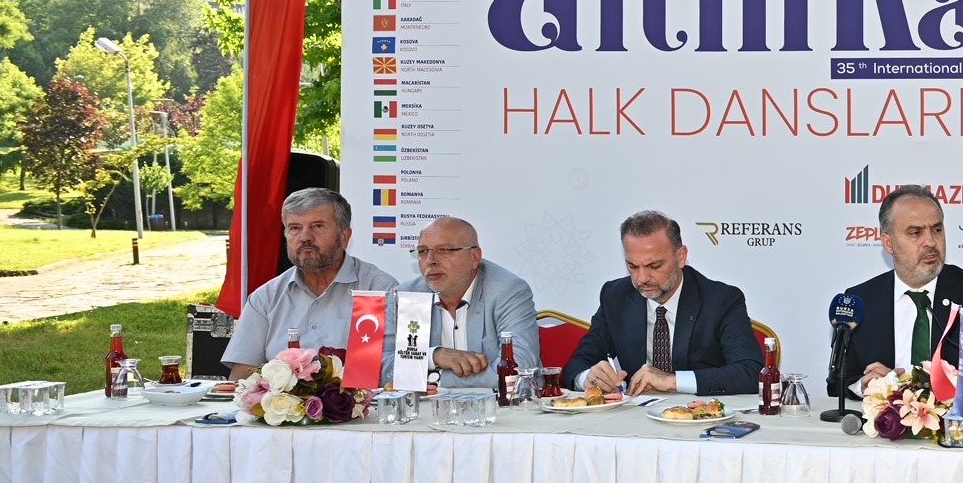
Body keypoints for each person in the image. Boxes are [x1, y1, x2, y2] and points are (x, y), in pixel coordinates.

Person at [842, 184, 963, 406]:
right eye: (915, 233)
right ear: (888, 243)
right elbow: (839, 382)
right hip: (882, 425)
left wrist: (902, 389)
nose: (931, 242)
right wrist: (866, 386)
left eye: (937, 230)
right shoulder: (861, 300)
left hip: (953, 424)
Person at [563, 210, 764, 396]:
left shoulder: (721, 300)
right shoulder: (616, 297)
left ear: (681, 257)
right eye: (633, 266)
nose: (642, 278)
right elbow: (577, 365)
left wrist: (672, 381)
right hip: (636, 416)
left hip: (700, 413)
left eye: (655, 265)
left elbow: (751, 372)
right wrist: (587, 377)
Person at [222, 187, 400, 377]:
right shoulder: (266, 298)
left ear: (344, 236)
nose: (305, 237)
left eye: (318, 226)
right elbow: (241, 376)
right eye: (295, 228)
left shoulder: (378, 289)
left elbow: (388, 372)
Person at [383, 216, 539, 388]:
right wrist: (432, 356)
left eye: (444, 250)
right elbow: (378, 368)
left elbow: (517, 369)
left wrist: (435, 378)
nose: (430, 260)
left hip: (502, 403)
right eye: (422, 251)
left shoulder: (507, 291)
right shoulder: (406, 297)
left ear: (474, 257)